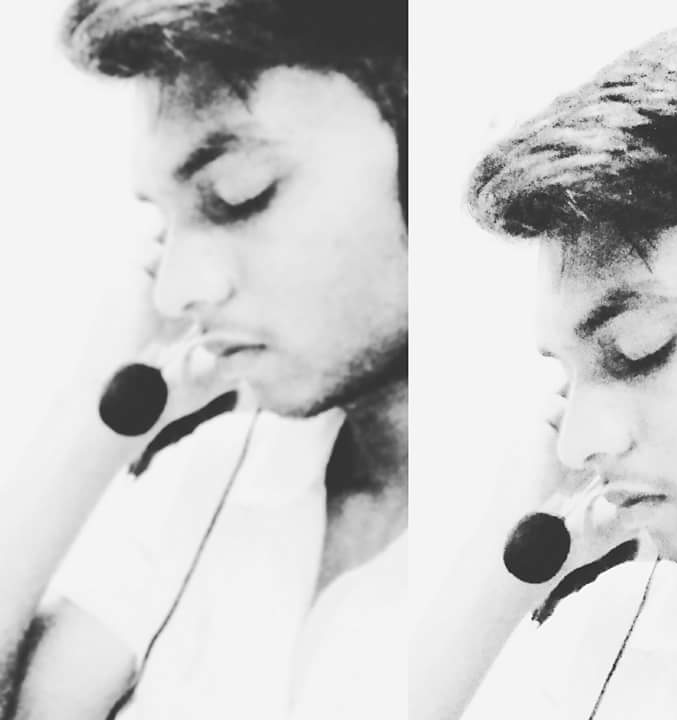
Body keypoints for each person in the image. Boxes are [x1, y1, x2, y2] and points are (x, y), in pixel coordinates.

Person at [0, 1, 407, 719]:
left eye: (236, 195)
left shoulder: (526, 568)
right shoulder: (213, 475)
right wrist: (95, 412)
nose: (179, 291)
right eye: (166, 225)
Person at [452, 21, 677, 719]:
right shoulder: (608, 636)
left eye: (638, 350)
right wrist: (501, 564)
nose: (577, 447)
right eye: (568, 383)